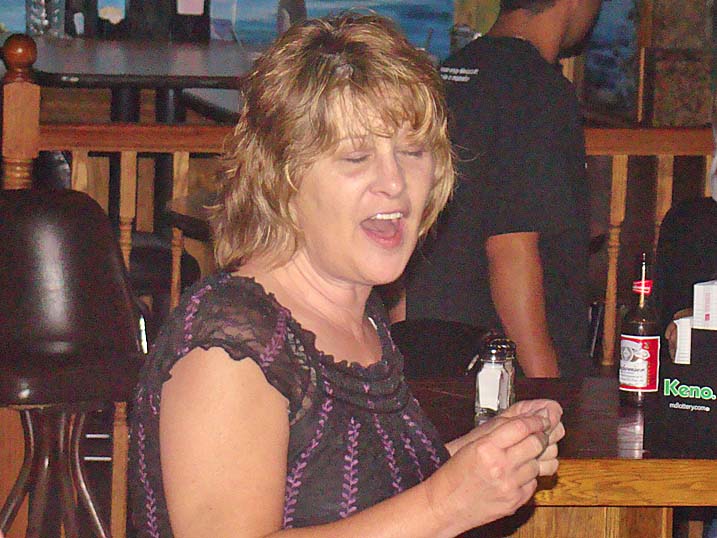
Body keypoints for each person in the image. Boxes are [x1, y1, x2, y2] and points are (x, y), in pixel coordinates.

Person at [128, 13, 565, 538]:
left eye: (412, 151)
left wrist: (476, 460)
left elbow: (347, 499)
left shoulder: (357, 317)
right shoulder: (231, 345)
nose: (395, 183)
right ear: (282, 178)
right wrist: (446, 504)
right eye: (357, 157)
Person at [403, 0, 602, 379]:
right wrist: (546, 387)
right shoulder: (537, 90)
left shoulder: (444, 75)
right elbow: (512, 250)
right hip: (501, 374)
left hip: (431, 357)